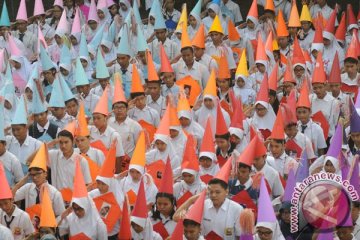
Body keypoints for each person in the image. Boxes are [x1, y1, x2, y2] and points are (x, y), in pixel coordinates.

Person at [13, 144, 65, 218]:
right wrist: (20, 183)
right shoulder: (27, 188)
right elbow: (11, 197)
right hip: (30, 227)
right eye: (32, 175)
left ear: (45, 173)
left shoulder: (54, 193)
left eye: (38, 174)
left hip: (48, 227)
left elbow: (60, 215)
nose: (35, 178)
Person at [0, 163, 34, 240]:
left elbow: (31, 235)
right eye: (0, 205)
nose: (4, 207)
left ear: (12, 200)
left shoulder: (24, 216)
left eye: (6, 203)